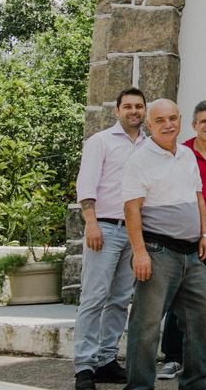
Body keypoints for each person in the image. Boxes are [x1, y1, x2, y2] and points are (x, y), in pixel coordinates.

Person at [121, 99, 206, 390]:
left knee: (203, 316)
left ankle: (195, 381)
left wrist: (205, 234)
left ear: (180, 120)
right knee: (147, 325)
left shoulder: (187, 154)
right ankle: (138, 386)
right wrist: (139, 252)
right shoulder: (139, 159)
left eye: (172, 118)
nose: (167, 125)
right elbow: (131, 209)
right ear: (149, 124)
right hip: (157, 251)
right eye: (160, 120)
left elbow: (197, 196)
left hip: (192, 252)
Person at [73, 88, 149, 390]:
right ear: (117, 111)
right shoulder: (101, 141)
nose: (134, 111)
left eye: (139, 106)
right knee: (93, 297)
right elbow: (86, 184)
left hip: (135, 233)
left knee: (119, 300)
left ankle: (106, 360)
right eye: (128, 106)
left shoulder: (149, 145)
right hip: (104, 228)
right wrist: (91, 223)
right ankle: (84, 366)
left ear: (144, 111)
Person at [158, 101, 206, 380]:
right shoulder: (181, 152)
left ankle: (204, 357)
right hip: (184, 230)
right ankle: (174, 357)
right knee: (178, 293)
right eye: (203, 121)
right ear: (193, 125)